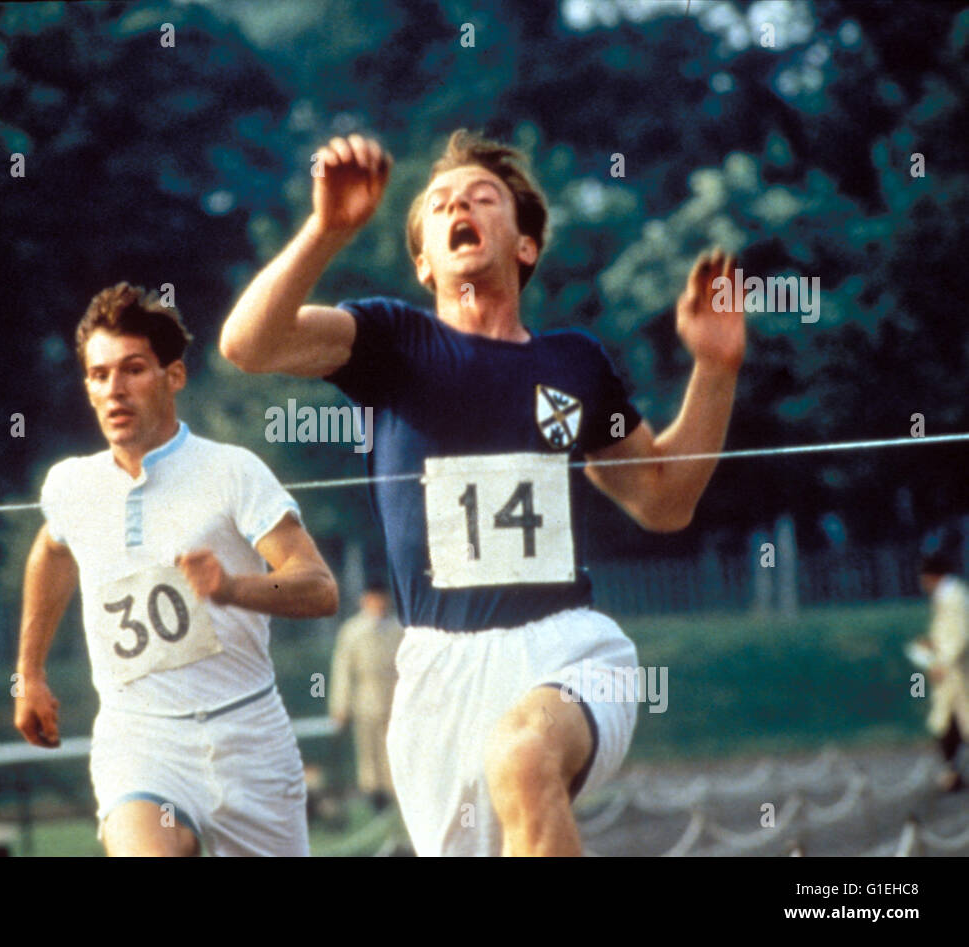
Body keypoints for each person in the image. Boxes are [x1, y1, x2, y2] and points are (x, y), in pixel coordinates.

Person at [219, 129, 745, 856]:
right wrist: (326, 230)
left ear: (524, 246)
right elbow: (248, 344)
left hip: (568, 648)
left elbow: (662, 499)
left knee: (523, 757)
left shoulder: (576, 362)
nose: (458, 203)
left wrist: (714, 371)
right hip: (442, 673)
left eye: (481, 196)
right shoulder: (391, 341)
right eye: (438, 204)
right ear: (424, 261)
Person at [14, 282, 339, 856]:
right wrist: (30, 674)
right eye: (99, 375)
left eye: (133, 369)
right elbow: (52, 552)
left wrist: (235, 588)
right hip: (141, 739)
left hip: (250, 737)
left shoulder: (233, 472)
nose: (114, 390)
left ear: (175, 376)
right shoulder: (71, 485)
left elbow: (319, 588)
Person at [329, 581, 404, 810]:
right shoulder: (352, 631)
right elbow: (342, 670)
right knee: (369, 756)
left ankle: (396, 803)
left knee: (393, 753)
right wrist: (340, 706)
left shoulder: (398, 628)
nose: (378, 603)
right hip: (365, 699)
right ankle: (375, 802)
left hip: (394, 698)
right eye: (373, 598)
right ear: (365, 600)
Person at [915, 551, 969, 792]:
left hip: (959, 674)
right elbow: (946, 634)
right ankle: (952, 772)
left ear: (933, 576)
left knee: (957, 723)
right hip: (950, 678)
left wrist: (942, 663)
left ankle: (952, 773)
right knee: (945, 724)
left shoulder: (955, 597)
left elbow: (960, 637)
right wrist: (931, 644)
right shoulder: (945, 596)